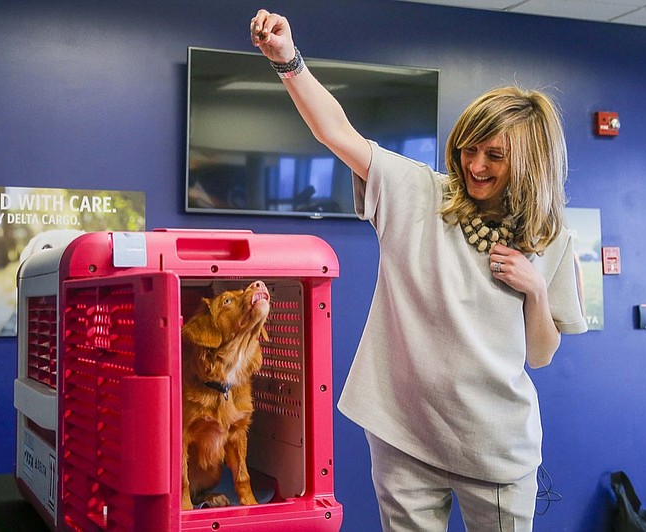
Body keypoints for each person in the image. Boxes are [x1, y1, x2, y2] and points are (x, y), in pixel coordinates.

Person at [250, 9, 588, 532]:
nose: (475, 165)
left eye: (494, 155)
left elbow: (541, 356)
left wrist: (537, 290)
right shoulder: (420, 193)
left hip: (495, 445)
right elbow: (335, 132)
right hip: (403, 430)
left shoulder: (551, 237)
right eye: (468, 149)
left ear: (530, 161)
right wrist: (289, 62)